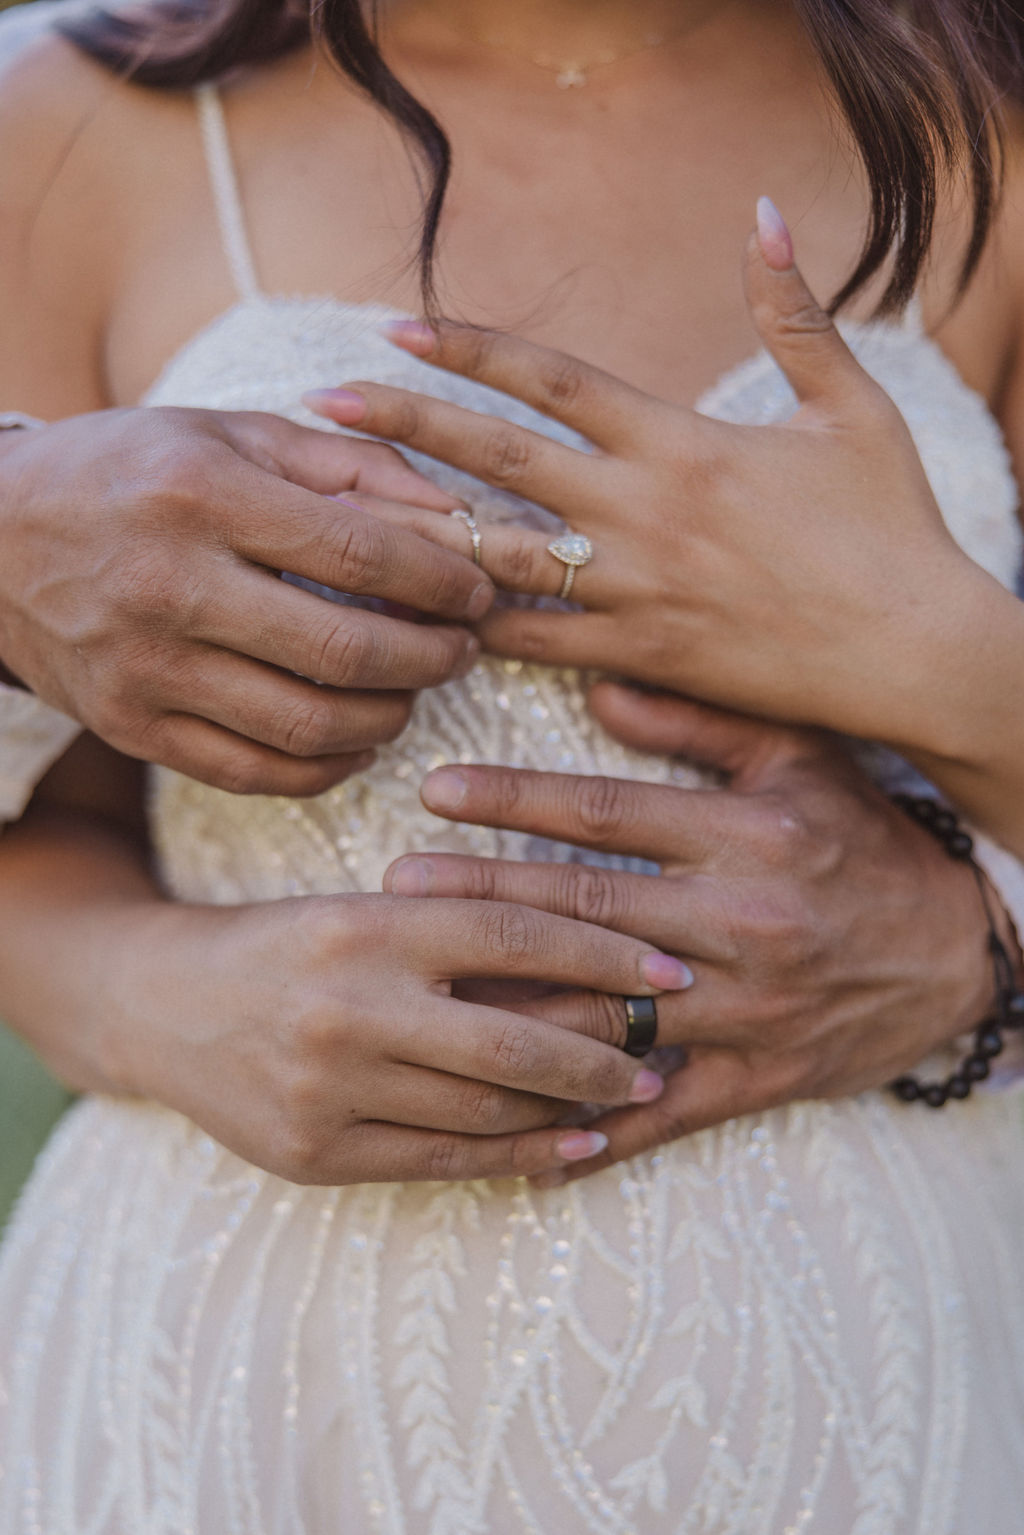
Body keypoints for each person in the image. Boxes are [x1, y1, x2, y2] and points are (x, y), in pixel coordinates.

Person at [1, 1, 1023, 1529]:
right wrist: (150, 999)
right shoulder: (81, 128)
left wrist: (978, 915)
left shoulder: (989, 129)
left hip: (892, 1355)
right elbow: (38, 827)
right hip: (243, 1365)